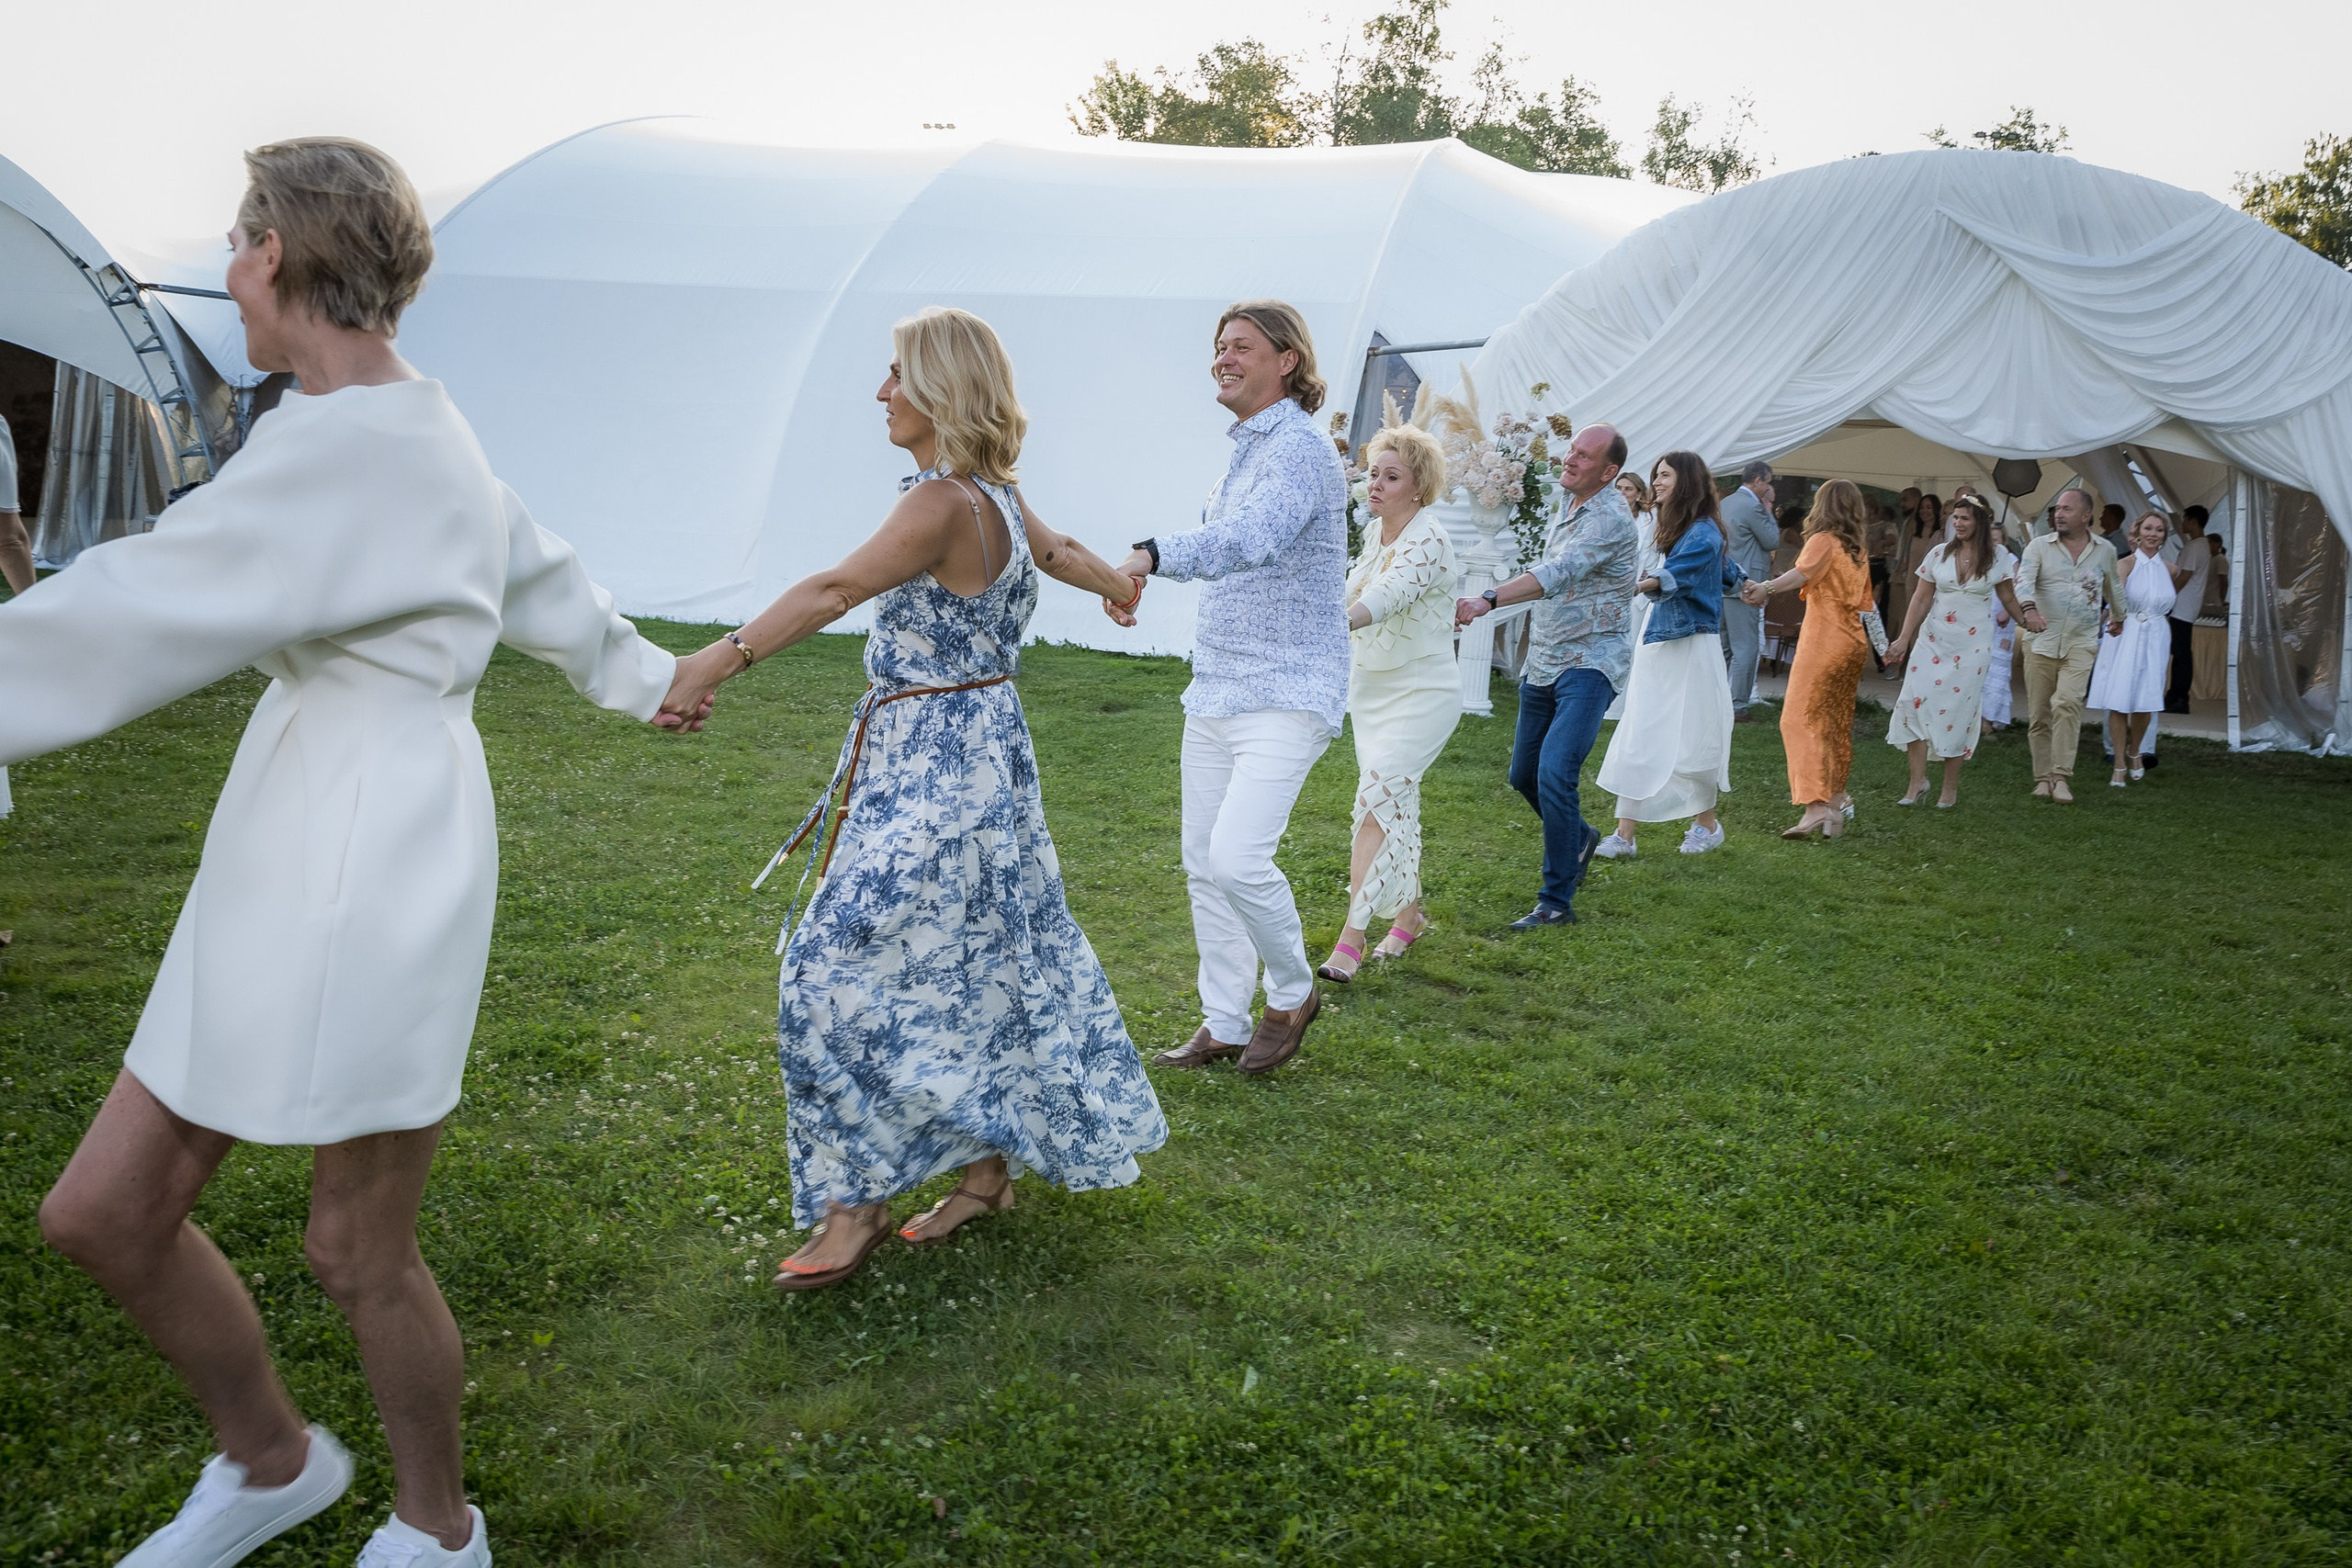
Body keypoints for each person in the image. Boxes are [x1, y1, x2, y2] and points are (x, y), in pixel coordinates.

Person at [2, 138, 696, 1568]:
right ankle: (272, 1463)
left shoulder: (346, 445)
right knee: (105, 1210)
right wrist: (639, 671)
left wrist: (642, 671)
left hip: (376, 853)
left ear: (278, 253)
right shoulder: (406, 420)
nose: (231, 275)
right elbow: (534, 564)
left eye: (238, 244)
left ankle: (439, 1529)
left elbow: (129, 607)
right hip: (299, 827)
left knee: (356, 1242)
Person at [661, 306, 1168, 1284]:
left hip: (938, 763)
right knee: (973, 959)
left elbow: (830, 591)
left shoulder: (942, 503)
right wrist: (1116, 583)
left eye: (896, 374)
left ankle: (855, 1204)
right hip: (978, 754)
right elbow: (1060, 553)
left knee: (831, 964)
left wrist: (708, 664)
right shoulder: (999, 500)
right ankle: (984, 1174)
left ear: (940, 389)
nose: (881, 392)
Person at [1114, 301, 1348, 1076]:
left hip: (1287, 689)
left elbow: (1250, 540)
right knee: (1201, 860)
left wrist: (1149, 555)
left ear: (1287, 360)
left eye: (1241, 346)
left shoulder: (1300, 451)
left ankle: (1291, 992)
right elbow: (1230, 551)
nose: (1223, 357)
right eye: (1219, 347)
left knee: (1239, 859)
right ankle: (1222, 1020)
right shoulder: (1243, 454)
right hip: (1216, 689)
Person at [1455, 423, 1635, 928]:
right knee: (1523, 775)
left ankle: (1556, 902)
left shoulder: (1611, 518)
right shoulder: (1569, 504)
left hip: (1591, 661)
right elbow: (1547, 572)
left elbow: (1558, 574)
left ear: (1609, 471)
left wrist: (1487, 598)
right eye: (1571, 450)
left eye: (1583, 455)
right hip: (1546, 658)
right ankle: (1579, 837)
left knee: (1556, 772)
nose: (1569, 459)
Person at [1317, 423, 1459, 981]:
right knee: (1397, 803)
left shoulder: (1429, 538)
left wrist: (1339, 625)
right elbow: (1352, 586)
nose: (1375, 484)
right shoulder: (1377, 534)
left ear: (1418, 487)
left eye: (1391, 476)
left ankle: (1350, 940)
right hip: (1374, 690)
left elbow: (1388, 593)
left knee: (1376, 798)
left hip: (1423, 691)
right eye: (1374, 472)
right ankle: (1409, 915)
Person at [1593, 450, 1735, 858]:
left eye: (1665, 476)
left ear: (1686, 480)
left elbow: (1680, 574)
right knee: (1642, 729)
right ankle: (1624, 836)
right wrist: (1747, 585)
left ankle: (1706, 825)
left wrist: (1634, 587)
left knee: (1694, 737)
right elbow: (1728, 571)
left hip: (1692, 644)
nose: (1656, 482)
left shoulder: (1705, 532)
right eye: (1656, 475)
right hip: (1659, 641)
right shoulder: (1675, 526)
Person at [1740, 478, 1874, 839]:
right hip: (1853, 643)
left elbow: (1802, 573)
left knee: (1797, 718)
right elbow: (1867, 604)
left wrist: (1764, 588)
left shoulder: (1823, 541)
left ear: (1823, 506)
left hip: (1825, 641)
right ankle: (1835, 803)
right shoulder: (1857, 549)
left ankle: (1814, 806)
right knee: (1834, 723)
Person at [1882, 497, 2030, 807]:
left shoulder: (1999, 556)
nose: (1958, 524)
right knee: (1913, 704)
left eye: (1965, 518)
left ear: (1980, 522)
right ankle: (1917, 783)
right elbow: (1921, 599)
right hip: (1932, 641)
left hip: (1972, 647)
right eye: (1955, 518)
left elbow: (2008, 597)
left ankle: (1949, 788)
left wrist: (2026, 620)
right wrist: (1903, 638)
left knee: (1958, 713)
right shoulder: (1938, 553)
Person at [2014, 486, 2125, 803]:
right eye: (2057, 509)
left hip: (2082, 641)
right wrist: (2029, 609)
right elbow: (2023, 581)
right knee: (2039, 714)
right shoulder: (2038, 546)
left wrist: (2119, 616)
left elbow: (2113, 585)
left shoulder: (2104, 550)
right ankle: (2041, 778)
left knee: (2067, 703)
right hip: (2040, 641)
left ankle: (2061, 776)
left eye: (2066, 509)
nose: (2058, 514)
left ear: (2086, 517)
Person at [2087, 511, 2180, 784]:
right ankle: (2118, 761)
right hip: (2127, 634)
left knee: (2146, 700)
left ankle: (2136, 750)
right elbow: (2116, 598)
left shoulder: (2171, 569)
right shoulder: (2125, 564)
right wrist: (2115, 620)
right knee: (2120, 699)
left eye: (2159, 530)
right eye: (2148, 529)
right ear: (2137, 533)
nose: (2153, 534)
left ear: (2164, 536)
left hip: (2157, 635)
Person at [1719, 458, 1778, 722]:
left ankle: (1715, 698)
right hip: (1747, 584)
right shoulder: (1754, 506)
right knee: (1746, 647)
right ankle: (1738, 706)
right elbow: (1772, 540)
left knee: (1724, 647)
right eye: (1767, 483)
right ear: (1757, 481)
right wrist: (1767, 510)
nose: (1768, 488)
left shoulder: (1724, 503)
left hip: (1723, 581)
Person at [2165, 505, 2212, 713]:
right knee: (2181, 653)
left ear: (2193, 521)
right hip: (2187, 606)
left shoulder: (2196, 547)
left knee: (2182, 654)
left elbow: (2184, 576)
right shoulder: (2201, 546)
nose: (2182, 523)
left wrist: (2167, 598)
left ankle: (2179, 698)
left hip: (2182, 607)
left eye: (2185, 519)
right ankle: (2176, 696)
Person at [1981, 517, 2020, 728]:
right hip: (1982, 618)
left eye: (1997, 540)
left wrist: (2007, 611)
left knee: (1997, 666)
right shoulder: (1982, 558)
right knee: (1981, 666)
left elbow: (2016, 588)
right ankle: (1977, 716)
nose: (1993, 544)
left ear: (2004, 540)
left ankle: (1989, 718)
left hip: (2002, 621)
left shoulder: (2011, 559)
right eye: (1990, 539)